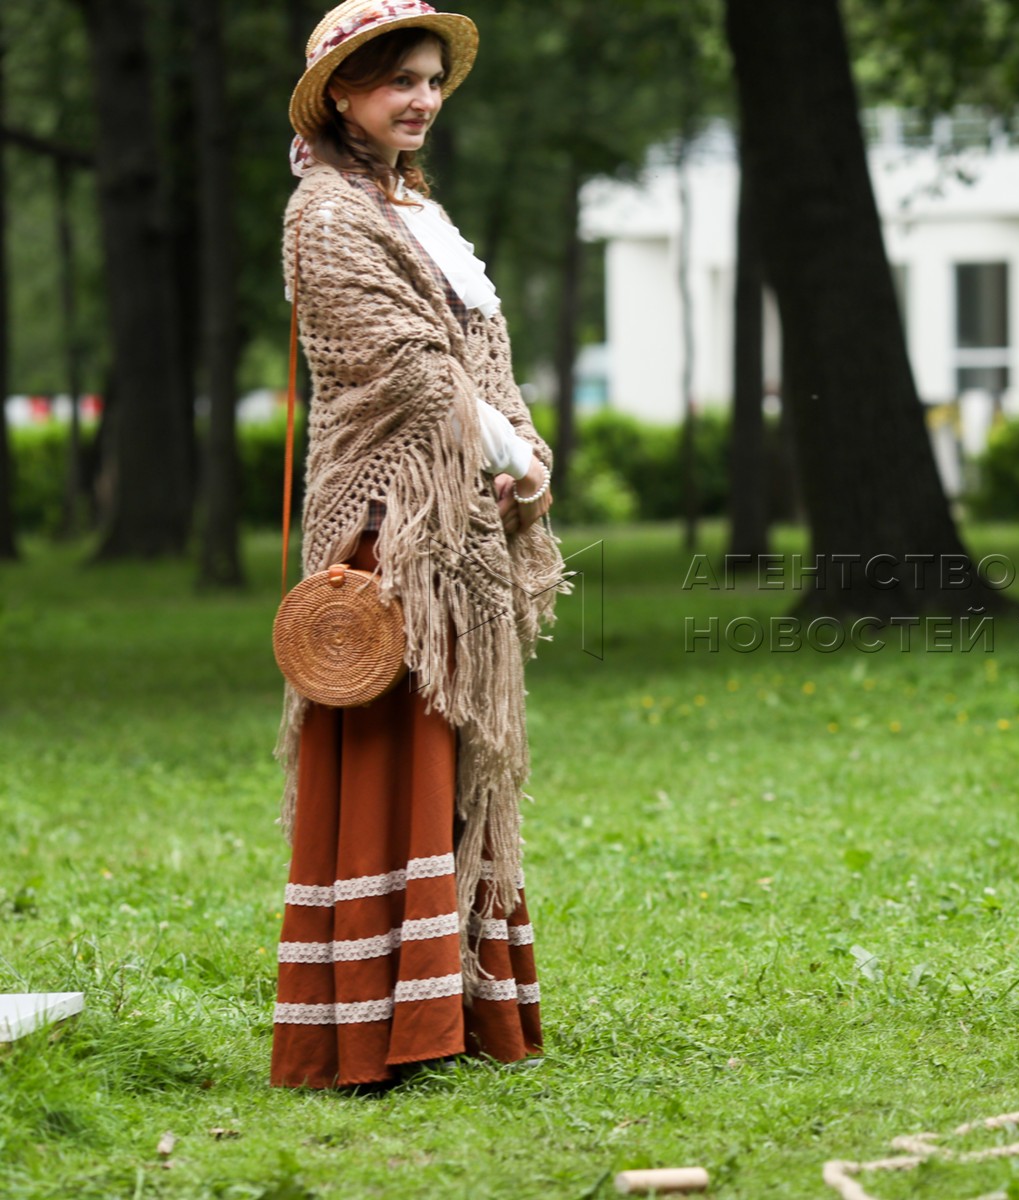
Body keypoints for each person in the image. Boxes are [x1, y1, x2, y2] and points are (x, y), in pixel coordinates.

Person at [271, 0, 566, 1088]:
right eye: (401, 79)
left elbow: (483, 357)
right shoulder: (325, 215)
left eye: (434, 80)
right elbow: (405, 367)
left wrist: (527, 452)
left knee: (456, 758)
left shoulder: (415, 210)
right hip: (386, 526)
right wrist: (510, 451)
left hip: (460, 515)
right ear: (341, 95)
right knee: (393, 758)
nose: (423, 99)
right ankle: (373, 1029)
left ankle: (452, 1012)